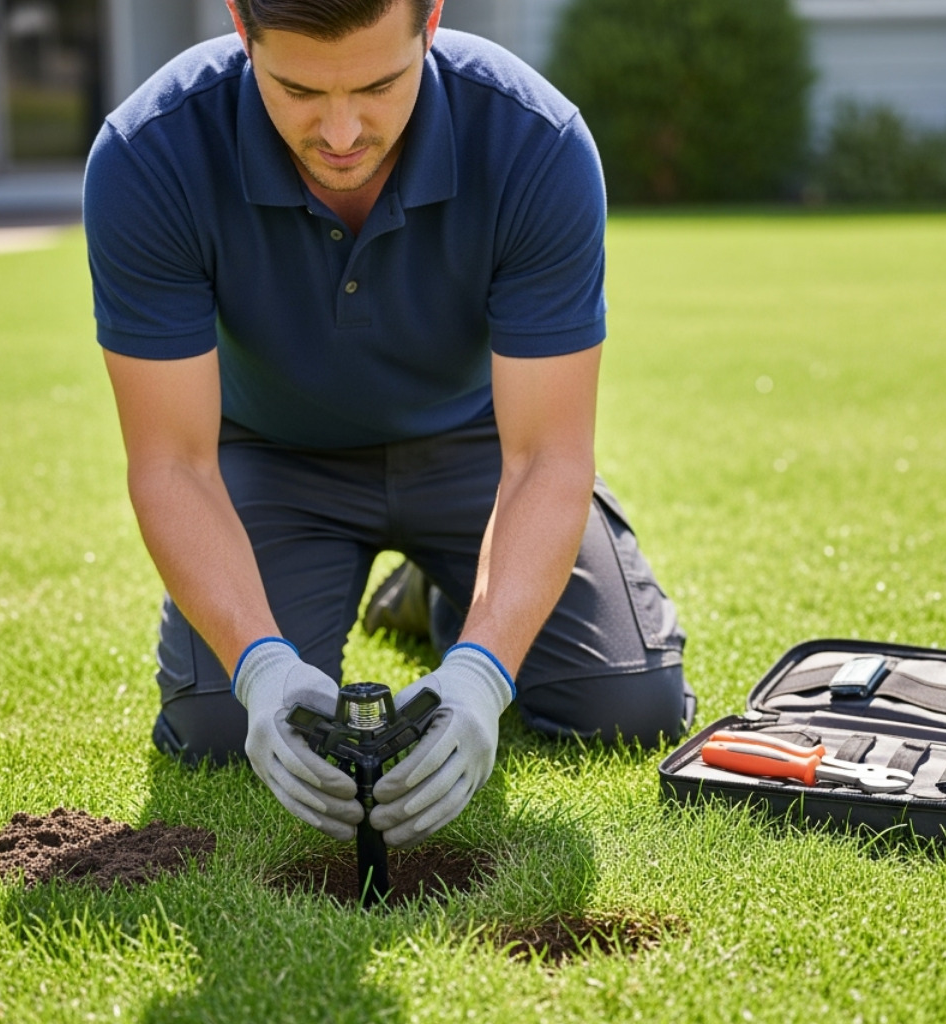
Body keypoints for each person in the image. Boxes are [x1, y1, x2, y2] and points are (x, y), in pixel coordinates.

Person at [83, 0, 693, 849]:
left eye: (378, 84)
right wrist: (259, 665)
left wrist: (482, 670)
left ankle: (448, 601)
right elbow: (174, 463)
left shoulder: (535, 142)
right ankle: (410, 592)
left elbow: (548, 458)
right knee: (222, 731)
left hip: (481, 453)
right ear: (239, 24)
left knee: (628, 706)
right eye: (297, 89)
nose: (340, 131)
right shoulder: (149, 153)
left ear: (431, 20)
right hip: (272, 458)